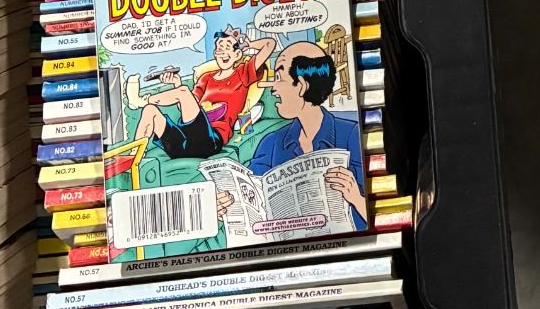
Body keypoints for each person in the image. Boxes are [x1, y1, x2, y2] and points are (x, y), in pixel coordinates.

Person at [215, 40, 367, 229]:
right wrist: (227, 205)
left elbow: (378, 211)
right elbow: (250, 197)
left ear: (301, 86)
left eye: (279, 77)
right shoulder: (271, 143)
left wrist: (356, 198)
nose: (273, 88)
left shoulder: (352, 134)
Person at [132, 25, 276, 161]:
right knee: (150, 111)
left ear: (237, 54)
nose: (222, 52)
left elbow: (270, 44)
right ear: (215, 53)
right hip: (183, 142)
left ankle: (141, 100)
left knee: (182, 92)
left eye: (227, 47)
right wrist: (177, 84)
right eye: (219, 47)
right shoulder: (206, 78)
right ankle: (134, 156)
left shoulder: (242, 73)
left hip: (210, 141)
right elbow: (188, 106)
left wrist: (249, 44)